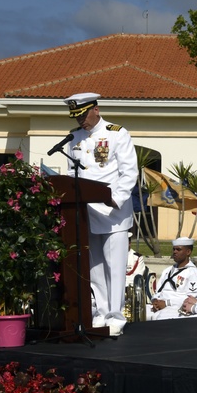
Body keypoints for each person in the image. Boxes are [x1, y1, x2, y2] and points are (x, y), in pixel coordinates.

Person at [64, 92, 138, 337]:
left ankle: (116, 316)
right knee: (94, 268)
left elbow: (129, 173)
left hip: (112, 212)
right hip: (86, 212)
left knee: (114, 267)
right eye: (76, 116)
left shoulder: (117, 133)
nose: (80, 121)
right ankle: (101, 312)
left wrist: (115, 200)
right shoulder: (73, 138)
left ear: (96, 109)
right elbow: (71, 176)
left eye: (83, 115)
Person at [148, 237, 197, 321]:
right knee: (138, 312)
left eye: (178, 249)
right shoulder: (168, 270)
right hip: (159, 304)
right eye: (174, 249)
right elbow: (159, 291)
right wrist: (155, 300)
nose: (174, 252)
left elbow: (190, 298)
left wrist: (166, 303)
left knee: (159, 317)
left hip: (176, 307)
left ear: (188, 252)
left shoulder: (193, 273)